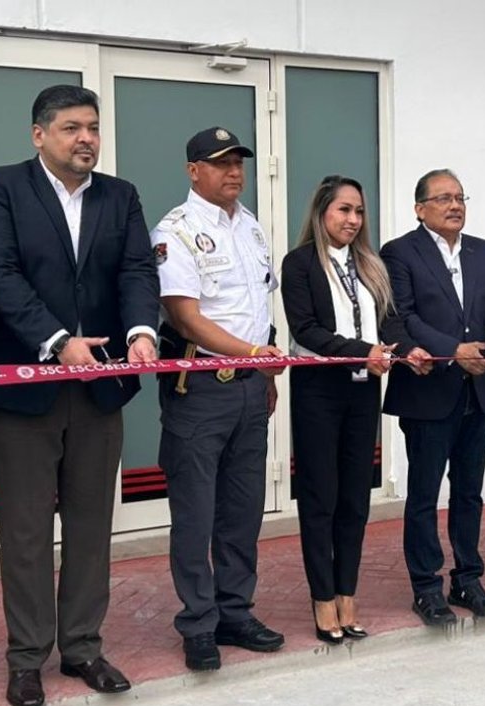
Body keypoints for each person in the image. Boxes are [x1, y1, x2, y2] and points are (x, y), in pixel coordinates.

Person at [0, 85, 159, 706]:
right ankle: (26, 658)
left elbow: (136, 270)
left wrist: (141, 332)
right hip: (24, 388)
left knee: (90, 524)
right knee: (24, 530)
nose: (86, 139)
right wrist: (56, 341)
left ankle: (82, 648)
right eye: (72, 127)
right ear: (39, 134)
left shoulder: (120, 196)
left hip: (99, 387)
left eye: (93, 127)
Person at [151, 127, 284, 671]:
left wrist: (266, 371)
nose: (233, 171)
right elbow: (186, 318)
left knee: (242, 510)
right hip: (201, 388)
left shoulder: (250, 226)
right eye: (220, 163)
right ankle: (198, 622)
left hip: (250, 386)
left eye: (238, 162)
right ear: (193, 170)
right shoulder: (175, 231)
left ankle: (235, 611)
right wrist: (253, 352)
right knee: (195, 513)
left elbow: (260, 307)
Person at [281, 175, 432, 641]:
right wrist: (361, 350)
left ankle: (348, 593)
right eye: (344, 210)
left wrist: (408, 349)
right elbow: (306, 329)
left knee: (354, 499)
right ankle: (322, 597)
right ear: (322, 211)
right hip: (318, 391)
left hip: (364, 389)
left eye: (359, 211)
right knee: (320, 498)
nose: (353, 220)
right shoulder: (300, 263)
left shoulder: (371, 264)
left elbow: (391, 322)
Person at [381, 169, 485, 625]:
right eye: (443, 198)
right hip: (429, 389)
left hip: (477, 390)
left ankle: (468, 578)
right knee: (424, 495)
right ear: (419, 208)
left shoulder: (483, 251)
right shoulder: (399, 252)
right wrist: (453, 350)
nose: (454, 205)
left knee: (469, 493)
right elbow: (403, 316)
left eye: (460, 197)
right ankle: (426, 587)